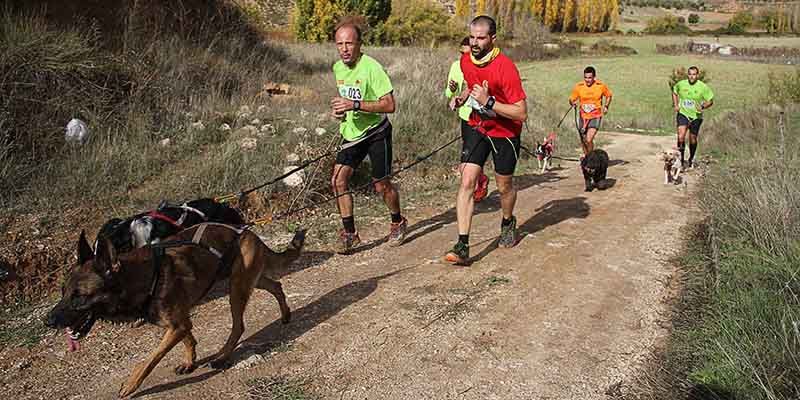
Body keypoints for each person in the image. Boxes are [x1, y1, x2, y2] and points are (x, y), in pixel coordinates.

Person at [445, 15, 528, 265]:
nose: (474, 42)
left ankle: (508, 221)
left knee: (504, 186)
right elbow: (472, 86)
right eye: (472, 37)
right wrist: (462, 98)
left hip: (505, 132)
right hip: (477, 126)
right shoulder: (465, 60)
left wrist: (489, 102)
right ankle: (462, 244)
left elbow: (521, 113)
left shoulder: (506, 67)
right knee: (467, 181)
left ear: (493, 38)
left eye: (480, 38)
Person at [330, 21, 407, 254]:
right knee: (338, 181)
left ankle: (397, 221)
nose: (344, 49)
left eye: (349, 43)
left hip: (377, 132)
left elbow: (390, 105)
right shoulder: (338, 68)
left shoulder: (372, 68)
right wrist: (339, 112)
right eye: (340, 44)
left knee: (381, 185)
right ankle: (350, 234)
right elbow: (346, 101)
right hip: (352, 134)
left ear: (359, 44)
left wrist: (354, 105)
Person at [446, 36, 489, 203]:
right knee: (469, 153)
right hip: (465, 116)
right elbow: (449, 93)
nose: (463, 57)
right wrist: (453, 92)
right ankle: (479, 180)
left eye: (467, 53)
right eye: (461, 53)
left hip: (483, 117)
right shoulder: (456, 66)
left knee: (474, 154)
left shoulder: (482, 66)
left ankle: (477, 183)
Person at [672, 66, 714, 170]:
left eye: (694, 74)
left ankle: (691, 158)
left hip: (696, 116)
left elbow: (710, 101)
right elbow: (674, 92)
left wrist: (703, 106)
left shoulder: (703, 87)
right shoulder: (681, 84)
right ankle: (680, 160)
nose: (692, 76)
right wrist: (676, 105)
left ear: (697, 75)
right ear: (688, 75)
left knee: (693, 139)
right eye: (690, 74)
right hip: (683, 113)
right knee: (681, 136)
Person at [569, 66, 613, 155]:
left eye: (590, 78)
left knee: (589, 139)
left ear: (594, 77)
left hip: (595, 116)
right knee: (583, 140)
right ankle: (587, 157)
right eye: (585, 77)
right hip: (583, 116)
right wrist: (572, 103)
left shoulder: (600, 86)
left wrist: (606, 106)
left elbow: (609, 96)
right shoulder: (579, 86)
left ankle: (591, 158)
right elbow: (571, 99)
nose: (587, 80)